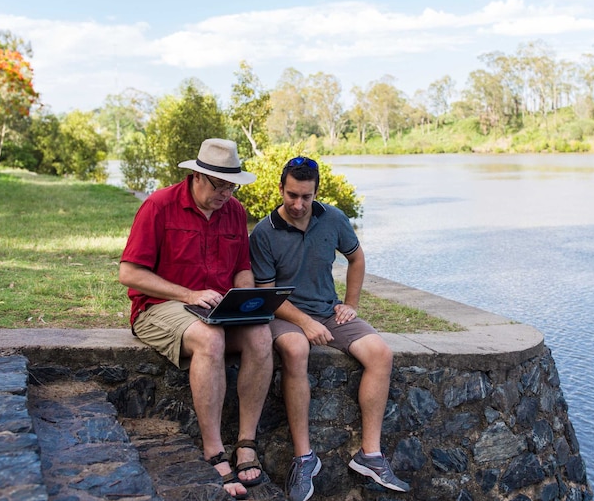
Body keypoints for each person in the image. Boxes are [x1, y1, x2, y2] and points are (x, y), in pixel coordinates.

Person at [249, 156, 410, 501]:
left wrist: (350, 304)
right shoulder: (263, 232)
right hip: (283, 315)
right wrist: (304, 322)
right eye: (292, 195)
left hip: (327, 311)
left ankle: (370, 455)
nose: (298, 204)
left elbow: (356, 257)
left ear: (316, 193)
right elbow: (266, 293)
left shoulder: (333, 218)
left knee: (380, 353)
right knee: (295, 349)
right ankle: (304, 459)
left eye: (306, 197)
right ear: (280, 189)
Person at [119, 138, 272, 501]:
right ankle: (213, 449)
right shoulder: (159, 205)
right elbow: (129, 273)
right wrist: (188, 295)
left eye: (232, 185)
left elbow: (241, 268)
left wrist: (246, 300)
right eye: (220, 185)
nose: (226, 194)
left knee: (262, 336)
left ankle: (246, 442)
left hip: (216, 309)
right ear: (197, 176)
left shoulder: (234, 211)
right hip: (160, 307)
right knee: (209, 338)